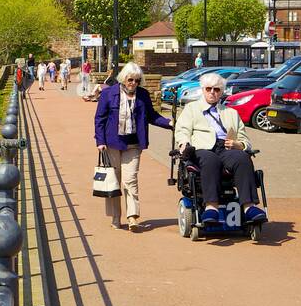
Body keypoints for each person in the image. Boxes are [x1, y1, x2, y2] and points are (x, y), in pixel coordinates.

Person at [174, 72, 267, 225]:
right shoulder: (191, 109)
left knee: (243, 158)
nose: (212, 92)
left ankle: (249, 207)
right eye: (209, 89)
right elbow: (182, 131)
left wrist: (239, 145)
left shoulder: (231, 112)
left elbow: (244, 139)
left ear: (222, 92)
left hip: (226, 148)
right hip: (202, 147)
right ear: (203, 89)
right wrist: (184, 144)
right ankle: (212, 207)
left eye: (216, 89)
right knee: (211, 160)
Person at [94, 63, 172, 231]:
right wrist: (100, 141)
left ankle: (133, 217)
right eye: (130, 80)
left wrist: (170, 123)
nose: (133, 83)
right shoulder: (108, 93)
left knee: (130, 180)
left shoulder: (143, 95)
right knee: (113, 182)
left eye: (137, 80)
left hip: (134, 144)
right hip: (112, 143)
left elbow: (152, 116)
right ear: (123, 78)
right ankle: (116, 216)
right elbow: (99, 118)